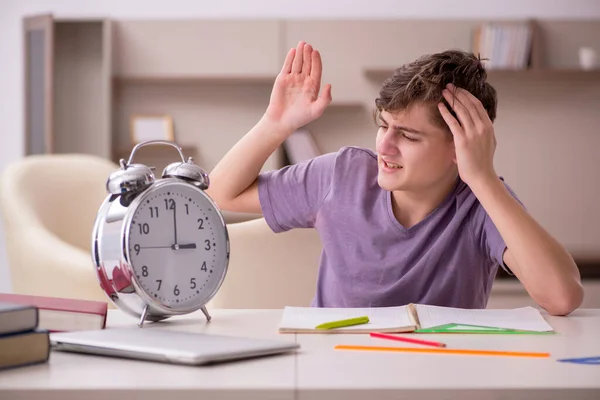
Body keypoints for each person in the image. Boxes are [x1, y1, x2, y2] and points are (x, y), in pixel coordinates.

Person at [206, 41, 583, 316]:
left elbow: (562, 297)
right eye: (383, 126)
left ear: (460, 146)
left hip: (437, 379)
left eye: (408, 135)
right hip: (335, 369)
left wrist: (483, 178)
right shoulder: (341, 174)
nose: (384, 146)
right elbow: (220, 194)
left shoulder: (482, 200)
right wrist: (276, 124)